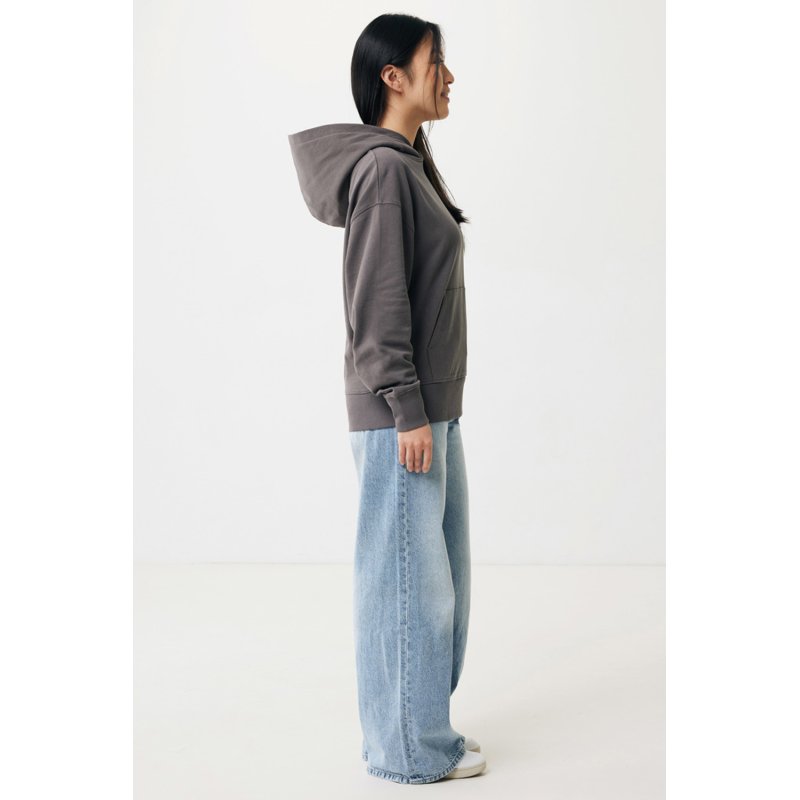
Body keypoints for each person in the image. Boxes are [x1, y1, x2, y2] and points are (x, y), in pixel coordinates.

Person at [288, 13, 484, 785]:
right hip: (403, 415)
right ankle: (407, 751)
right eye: (437, 61)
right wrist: (406, 408)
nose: (450, 76)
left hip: (429, 411)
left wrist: (428, 408)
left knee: (436, 583)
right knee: (409, 586)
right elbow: (377, 306)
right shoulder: (382, 172)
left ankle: (422, 728)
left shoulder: (409, 165)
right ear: (393, 77)